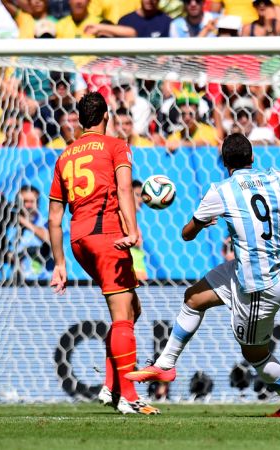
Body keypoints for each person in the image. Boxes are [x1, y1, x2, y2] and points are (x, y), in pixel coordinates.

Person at [125, 133, 280, 417]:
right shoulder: (275, 179)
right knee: (193, 297)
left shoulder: (220, 191)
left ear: (223, 163)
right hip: (245, 270)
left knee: (254, 354)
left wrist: (200, 225)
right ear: (253, 157)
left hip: (258, 286)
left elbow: (186, 234)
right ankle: (166, 364)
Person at [48, 92, 160, 415]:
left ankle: (110, 386)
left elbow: (54, 218)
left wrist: (59, 264)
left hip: (78, 240)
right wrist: (132, 230)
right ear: (106, 116)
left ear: (81, 121)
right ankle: (128, 396)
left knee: (131, 308)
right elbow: (125, 189)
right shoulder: (116, 146)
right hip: (107, 234)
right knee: (122, 316)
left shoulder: (65, 156)